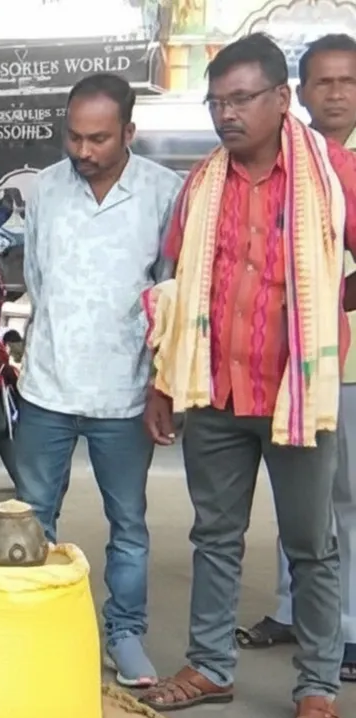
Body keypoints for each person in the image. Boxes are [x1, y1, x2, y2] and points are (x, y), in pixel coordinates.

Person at [141, 33, 356, 718]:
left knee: (312, 545)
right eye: (216, 101)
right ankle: (210, 664)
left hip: (299, 392)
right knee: (215, 535)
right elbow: (171, 290)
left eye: (241, 99)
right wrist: (164, 383)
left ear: (280, 99)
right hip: (216, 390)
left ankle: (318, 687)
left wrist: (334, 300)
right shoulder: (201, 186)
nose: (226, 114)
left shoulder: (333, 175)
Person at [16, 73, 182, 688]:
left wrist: (162, 387)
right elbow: (38, 276)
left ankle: (125, 632)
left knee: (129, 522)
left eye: (98, 139)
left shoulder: (165, 193)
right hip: (48, 387)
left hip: (125, 393)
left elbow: (171, 296)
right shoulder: (47, 190)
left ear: (129, 133)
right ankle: (32, 627)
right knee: (33, 517)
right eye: (73, 137)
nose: (83, 151)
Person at [236, 34, 356, 684]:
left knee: (344, 502)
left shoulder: (342, 167)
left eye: (348, 82)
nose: (336, 93)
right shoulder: (292, 156)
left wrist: (333, 293)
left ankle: (345, 631)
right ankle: (292, 612)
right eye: (325, 82)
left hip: (344, 361)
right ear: (300, 94)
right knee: (298, 503)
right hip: (288, 365)